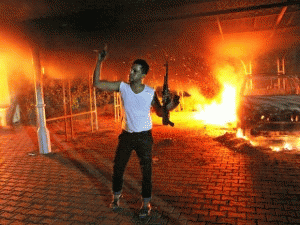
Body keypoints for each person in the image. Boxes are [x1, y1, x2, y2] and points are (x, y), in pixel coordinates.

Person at [93, 49, 180, 218]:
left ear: (143, 75)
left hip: (144, 137)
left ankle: (145, 205)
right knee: (118, 168)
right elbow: (97, 83)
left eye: (135, 71)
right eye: (131, 69)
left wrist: (172, 103)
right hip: (126, 136)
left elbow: (160, 113)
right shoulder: (122, 87)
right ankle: (116, 197)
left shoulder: (150, 92)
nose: (130, 72)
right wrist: (99, 62)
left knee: (146, 172)